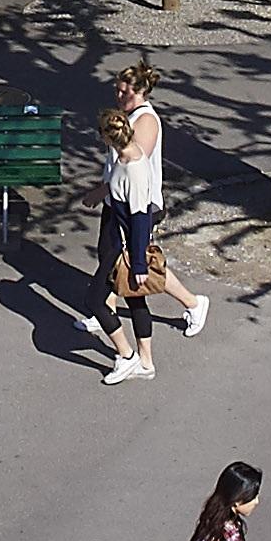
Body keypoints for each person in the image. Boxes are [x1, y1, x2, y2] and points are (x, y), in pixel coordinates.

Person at [91, 63, 204, 379]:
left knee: (139, 271)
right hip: (120, 206)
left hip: (134, 209)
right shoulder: (126, 122)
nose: (119, 95)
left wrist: (139, 262)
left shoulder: (144, 124)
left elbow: (135, 180)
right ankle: (142, 357)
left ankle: (192, 304)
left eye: (125, 91)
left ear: (140, 90)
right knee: (122, 275)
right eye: (117, 89)